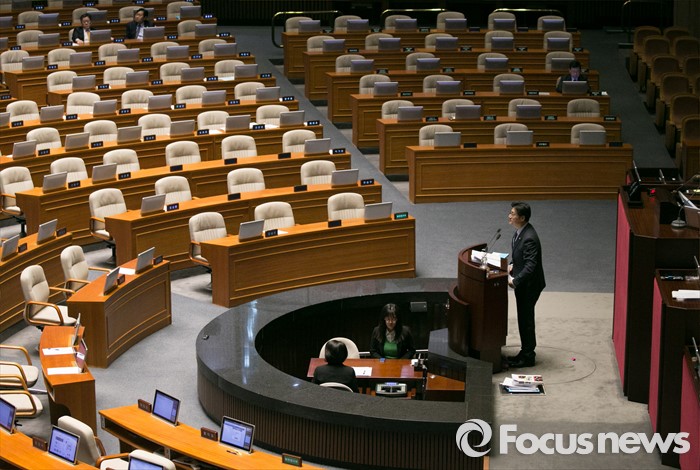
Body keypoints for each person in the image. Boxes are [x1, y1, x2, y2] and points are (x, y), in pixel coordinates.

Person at [507, 202, 546, 368]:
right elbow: (519, 256)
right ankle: (525, 352)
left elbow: (531, 266)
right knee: (523, 318)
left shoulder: (529, 237)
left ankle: (528, 356)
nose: (509, 216)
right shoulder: (520, 232)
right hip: (524, 284)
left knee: (526, 320)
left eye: (513, 214)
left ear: (522, 218)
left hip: (529, 286)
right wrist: (512, 265)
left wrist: (515, 280)